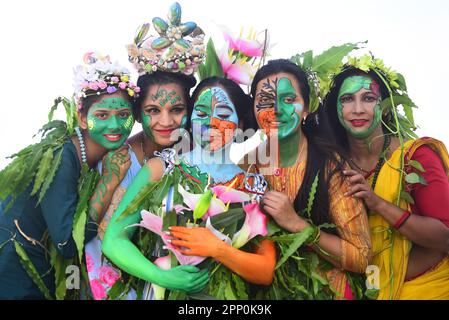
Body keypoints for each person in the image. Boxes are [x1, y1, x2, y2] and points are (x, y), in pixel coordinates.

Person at [0, 52, 138, 299]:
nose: (115, 126)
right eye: (102, 115)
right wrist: (110, 181)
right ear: (83, 118)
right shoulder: (61, 157)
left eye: (124, 115)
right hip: (12, 274)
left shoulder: (82, 156)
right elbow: (67, 244)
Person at [324, 54, 449, 299]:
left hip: (426, 288)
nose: (357, 109)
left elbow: (445, 236)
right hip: (365, 289)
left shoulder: (415, 157)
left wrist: (378, 203)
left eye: (368, 98)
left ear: (386, 105)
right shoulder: (331, 165)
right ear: (336, 108)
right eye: (347, 99)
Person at [244, 59, 372, 299]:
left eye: (289, 100)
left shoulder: (332, 167)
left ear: (306, 108)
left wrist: (297, 225)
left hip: (327, 290)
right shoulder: (246, 165)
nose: (276, 110)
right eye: (265, 101)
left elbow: (361, 257)